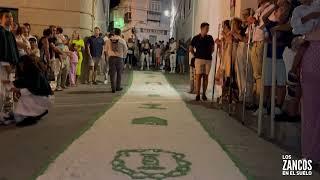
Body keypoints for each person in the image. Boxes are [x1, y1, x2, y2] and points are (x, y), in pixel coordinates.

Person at [290, 0, 320, 166]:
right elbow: (297, 29)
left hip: (312, 50)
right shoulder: (299, 11)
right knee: (310, 108)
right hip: (313, 54)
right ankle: (309, 154)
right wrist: (312, 15)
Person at [261, 0, 294, 115]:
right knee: (267, 82)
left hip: (279, 58)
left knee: (281, 82)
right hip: (269, 57)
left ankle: (278, 106)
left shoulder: (287, 27)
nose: (283, 12)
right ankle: (264, 105)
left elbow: (283, 42)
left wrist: (271, 40)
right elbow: (264, 17)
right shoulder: (272, 24)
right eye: (281, 10)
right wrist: (275, 5)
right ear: (276, 12)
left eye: (286, 11)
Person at [1, 55, 52, 126]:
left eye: (22, 65)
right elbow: (23, 81)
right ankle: (37, 112)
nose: (21, 67)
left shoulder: (35, 73)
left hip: (43, 98)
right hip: (42, 97)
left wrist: (18, 90)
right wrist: (11, 82)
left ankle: (35, 114)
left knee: (24, 100)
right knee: (19, 113)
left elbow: (34, 88)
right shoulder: (31, 72)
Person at [247, 0, 275, 111]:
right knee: (256, 74)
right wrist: (251, 22)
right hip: (255, 41)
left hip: (262, 41)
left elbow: (269, 24)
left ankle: (261, 103)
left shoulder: (271, 7)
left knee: (259, 74)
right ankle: (256, 100)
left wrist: (256, 22)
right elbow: (254, 24)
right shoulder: (259, 9)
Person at [0, 10, 19, 120]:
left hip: (10, 67)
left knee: (8, 92)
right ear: (1, 19)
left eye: (11, 17)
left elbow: (13, 51)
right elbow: (2, 51)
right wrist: (7, 66)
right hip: (3, 67)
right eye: (7, 16)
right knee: (2, 92)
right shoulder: (1, 32)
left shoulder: (10, 34)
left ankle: (6, 114)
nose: (10, 19)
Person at [190, 22, 215, 101]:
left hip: (208, 59)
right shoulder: (196, 38)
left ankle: (204, 94)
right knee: (198, 76)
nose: (207, 30)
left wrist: (209, 54)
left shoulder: (210, 37)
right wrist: (195, 55)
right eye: (206, 28)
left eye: (208, 28)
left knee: (206, 76)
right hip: (199, 59)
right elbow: (190, 48)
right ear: (202, 28)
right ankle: (197, 94)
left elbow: (213, 48)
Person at [105, 28, 128, 93]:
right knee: (119, 73)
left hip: (111, 58)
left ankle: (113, 88)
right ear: (120, 33)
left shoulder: (108, 40)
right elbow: (126, 50)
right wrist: (123, 57)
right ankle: (118, 87)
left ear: (114, 33)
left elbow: (106, 50)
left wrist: (108, 56)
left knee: (112, 73)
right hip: (119, 58)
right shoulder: (122, 41)